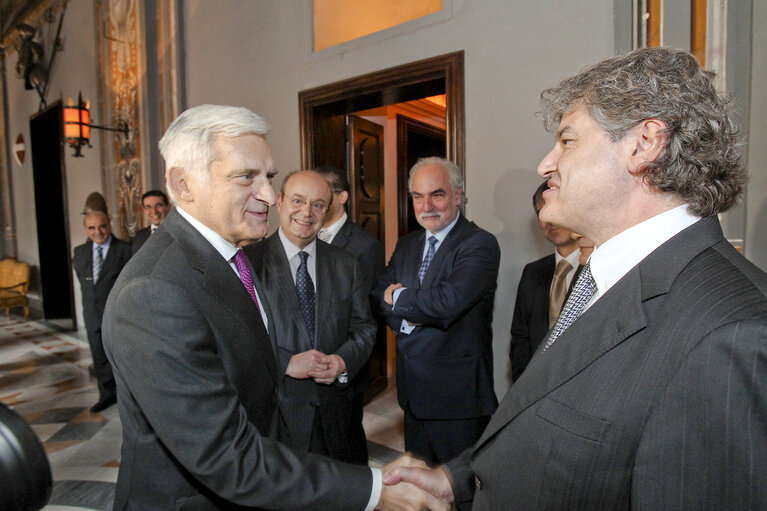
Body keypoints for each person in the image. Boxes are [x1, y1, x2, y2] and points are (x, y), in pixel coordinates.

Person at [385, 47, 767, 509]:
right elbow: (550, 419)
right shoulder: (601, 274)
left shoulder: (732, 331)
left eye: (567, 141)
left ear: (645, 143)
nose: (547, 164)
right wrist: (457, 479)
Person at [101, 104, 444, 510]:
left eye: (268, 177)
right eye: (246, 176)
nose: (267, 195)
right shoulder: (153, 292)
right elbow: (226, 456)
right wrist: (377, 490)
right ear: (183, 184)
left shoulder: (232, 257)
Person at [373, 157, 500, 465]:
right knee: (419, 484)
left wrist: (399, 298)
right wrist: (404, 315)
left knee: (461, 491)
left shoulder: (479, 243)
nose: (426, 205)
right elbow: (379, 293)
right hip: (412, 395)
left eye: (437, 194)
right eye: (418, 196)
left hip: (457, 400)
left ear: (458, 195)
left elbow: (447, 303)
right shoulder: (407, 244)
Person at [246, 169, 376, 465]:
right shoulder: (249, 263)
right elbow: (238, 337)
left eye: (317, 204)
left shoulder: (347, 264)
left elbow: (364, 328)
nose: (306, 212)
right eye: (297, 200)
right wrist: (286, 363)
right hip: (277, 419)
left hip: (339, 417)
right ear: (279, 202)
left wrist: (342, 361)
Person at [315, 165, 386, 464]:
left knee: (346, 441)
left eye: (322, 194)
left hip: (344, 361)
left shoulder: (364, 246)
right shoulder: (302, 236)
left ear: (342, 197)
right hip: (307, 362)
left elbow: (366, 314)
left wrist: (341, 359)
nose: (314, 202)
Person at [509, 181, 580, 381]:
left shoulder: (598, 267)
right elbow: (520, 338)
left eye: (556, 210)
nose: (549, 220)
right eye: (542, 213)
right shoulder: (533, 272)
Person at [72, 210, 131, 412]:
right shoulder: (79, 253)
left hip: (118, 316)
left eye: (102, 226)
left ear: (110, 224)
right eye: (92, 228)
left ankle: (129, 400)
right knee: (99, 358)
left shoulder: (125, 250)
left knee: (122, 359)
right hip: (92, 316)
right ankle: (106, 395)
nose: (98, 232)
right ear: (86, 230)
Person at [131, 189, 170, 255]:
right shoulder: (139, 236)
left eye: (158, 206)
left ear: (168, 207)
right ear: (143, 210)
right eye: (148, 207)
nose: (154, 211)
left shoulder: (179, 232)